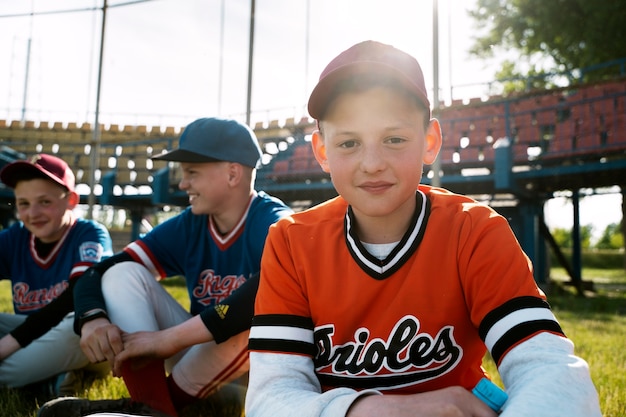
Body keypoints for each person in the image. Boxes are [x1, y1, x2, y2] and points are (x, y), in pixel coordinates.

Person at [245, 40, 602, 417]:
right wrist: (384, 411)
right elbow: (271, 397)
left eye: (394, 139)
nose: (372, 163)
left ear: (430, 142)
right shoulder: (292, 240)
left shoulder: (475, 229)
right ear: (322, 152)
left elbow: (549, 368)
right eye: (349, 143)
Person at [36, 117, 293, 417]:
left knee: (257, 314)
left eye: (192, 173)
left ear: (233, 174)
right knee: (122, 274)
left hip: (261, 375)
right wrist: (91, 317)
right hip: (199, 362)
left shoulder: (273, 220)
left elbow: (270, 293)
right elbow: (99, 271)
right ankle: (152, 406)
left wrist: (166, 340)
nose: (183, 184)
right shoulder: (191, 223)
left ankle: (145, 408)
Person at [0, 153, 113, 398]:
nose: (33, 213)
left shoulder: (90, 234)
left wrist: (8, 344)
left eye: (45, 201)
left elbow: (76, 296)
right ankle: (50, 382)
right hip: (35, 334)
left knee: (75, 329)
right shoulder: (14, 237)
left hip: (81, 337)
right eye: (23, 204)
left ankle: (28, 378)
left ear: (71, 200)